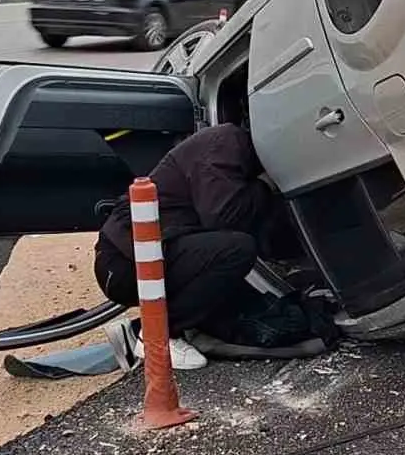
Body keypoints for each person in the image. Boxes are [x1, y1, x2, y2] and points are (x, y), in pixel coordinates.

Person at [94, 123, 277, 370]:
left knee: (232, 273)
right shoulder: (225, 143)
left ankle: (138, 331)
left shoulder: (224, 145)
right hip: (125, 263)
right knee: (236, 250)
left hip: (137, 254)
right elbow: (224, 217)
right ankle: (157, 335)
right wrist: (265, 185)